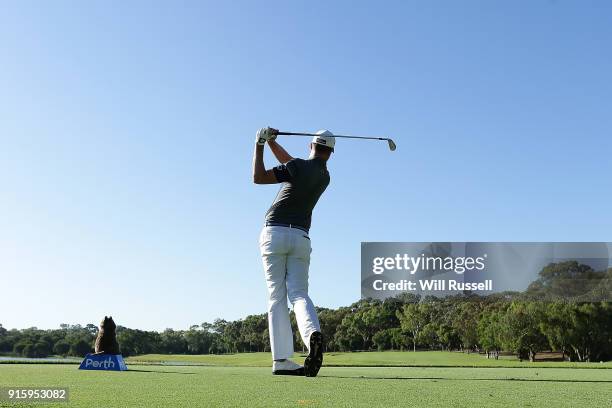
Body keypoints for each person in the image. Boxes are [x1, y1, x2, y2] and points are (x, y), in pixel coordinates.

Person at [252, 127, 334, 377]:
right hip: (301, 237)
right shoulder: (324, 176)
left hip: (274, 233)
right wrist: (272, 142)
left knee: (276, 296)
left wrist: (259, 144)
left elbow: (258, 177)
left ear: (311, 146)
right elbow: (291, 163)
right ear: (330, 153)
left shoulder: (297, 166)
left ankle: (282, 360)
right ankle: (312, 339)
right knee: (299, 294)